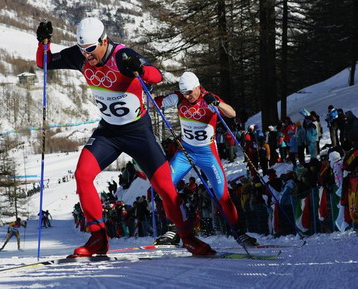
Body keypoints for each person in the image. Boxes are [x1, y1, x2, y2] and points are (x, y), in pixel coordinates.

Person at [36, 18, 214, 257]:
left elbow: (156, 76)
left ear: (104, 41)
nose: (87, 55)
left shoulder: (121, 55)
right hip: (109, 131)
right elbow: (44, 63)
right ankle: (98, 238)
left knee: (164, 187)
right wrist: (43, 43)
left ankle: (189, 238)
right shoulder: (80, 56)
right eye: (82, 49)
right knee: (82, 175)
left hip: (138, 132)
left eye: (90, 49)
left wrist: (139, 69)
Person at [153, 72, 258, 247]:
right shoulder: (179, 98)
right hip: (186, 152)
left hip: (207, 154)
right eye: (184, 92)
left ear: (197, 86)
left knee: (222, 194)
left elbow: (231, 113)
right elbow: (155, 103)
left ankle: (239, 233)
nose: (187, 96)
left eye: (189, 92)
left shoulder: (208, 98)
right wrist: (148, 93)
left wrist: (217, 104)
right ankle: (174, 229)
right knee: (164, 185)